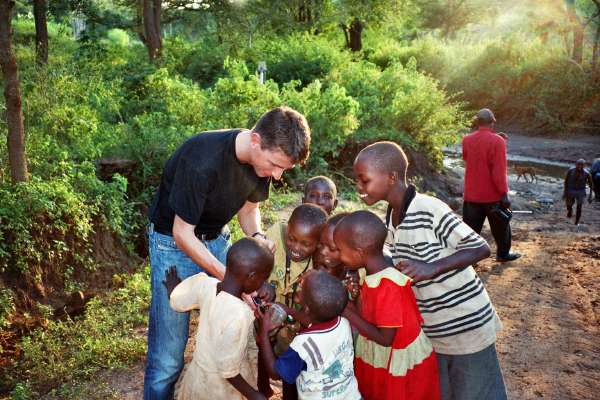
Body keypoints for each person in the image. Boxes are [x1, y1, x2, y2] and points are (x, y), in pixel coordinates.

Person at [144, 106, 311, 399]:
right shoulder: (202, 160)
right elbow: (182, 233)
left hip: (217, 238)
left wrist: (257, 236)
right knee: (168, 356)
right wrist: (230, 277)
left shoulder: (262, 163)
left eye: (284, 168)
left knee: (232, 325)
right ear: (256, 140)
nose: (278, 174)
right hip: (172, 243)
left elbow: (249, 210)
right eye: (275, 165)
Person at [353, 142, 507, 400]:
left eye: (363, 179)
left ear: (391, 177)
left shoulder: (428, 208)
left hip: (466, 326)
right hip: (434, 332)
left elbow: (480, 247)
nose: (358, 186)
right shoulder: (390, 220)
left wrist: (432, 267)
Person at [333, 210, 440, 400]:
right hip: (382, 355)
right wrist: (355, 299)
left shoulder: (388, 286)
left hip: (398, 360)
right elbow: (369, 316)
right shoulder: (369, 272)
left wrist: (347, 312)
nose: (338, 256)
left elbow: (385, 338)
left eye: (340, 250)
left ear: (359, 252)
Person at [163, 238, 274, 400]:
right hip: (222, 390)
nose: (263, 284)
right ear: (251, 277)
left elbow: (179, 301)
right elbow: (228, 370)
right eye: (263, 279)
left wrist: (173, 290)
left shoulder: (206, 285)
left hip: (198, 379)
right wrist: (254, 395)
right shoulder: (240, 314)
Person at [256, 269, 362, 400]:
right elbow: (313, 322)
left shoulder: (303, 345)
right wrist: (290, 311)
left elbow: (275, 373)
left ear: (306, 307)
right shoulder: (344, 324)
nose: (299, 291)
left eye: (302, 290)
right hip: (350, 395)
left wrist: (264, 333)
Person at [259, 204, 327, 399]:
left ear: (318, 243)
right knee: (265, 349)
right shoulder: (275, 234)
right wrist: (264, 282)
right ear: (287, 228)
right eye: (292, 239)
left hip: (298, 322)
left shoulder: (322, 258)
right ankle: (263, 387)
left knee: (292, 365)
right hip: (270, 312)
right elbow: (258, 261)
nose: (296, 248)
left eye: (306, 244)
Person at [461, 108, 520, 262]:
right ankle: (503, 254)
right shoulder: (498, 142)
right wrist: (504, 194)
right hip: (492, 197)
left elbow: (467, 158)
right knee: (501, 228)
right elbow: (499, 171)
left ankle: (469, 261)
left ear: (477, 122)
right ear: (492, 123)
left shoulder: (466, 139)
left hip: (471, 195)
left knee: (470, 231)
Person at [563, 159, 594, 225]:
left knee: (579, 207)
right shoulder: (571, 170)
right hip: (571, 189)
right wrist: (565, 192)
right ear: (575, 164)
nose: (580, 166)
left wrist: (590, 196)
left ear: (584, 166)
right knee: (569, 205)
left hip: (581, 191)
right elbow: (566, 182)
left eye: (582, 165)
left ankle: (576, 222)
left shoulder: (587, 173)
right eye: (578, 164)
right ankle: (570, 210)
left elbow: (591, 185)